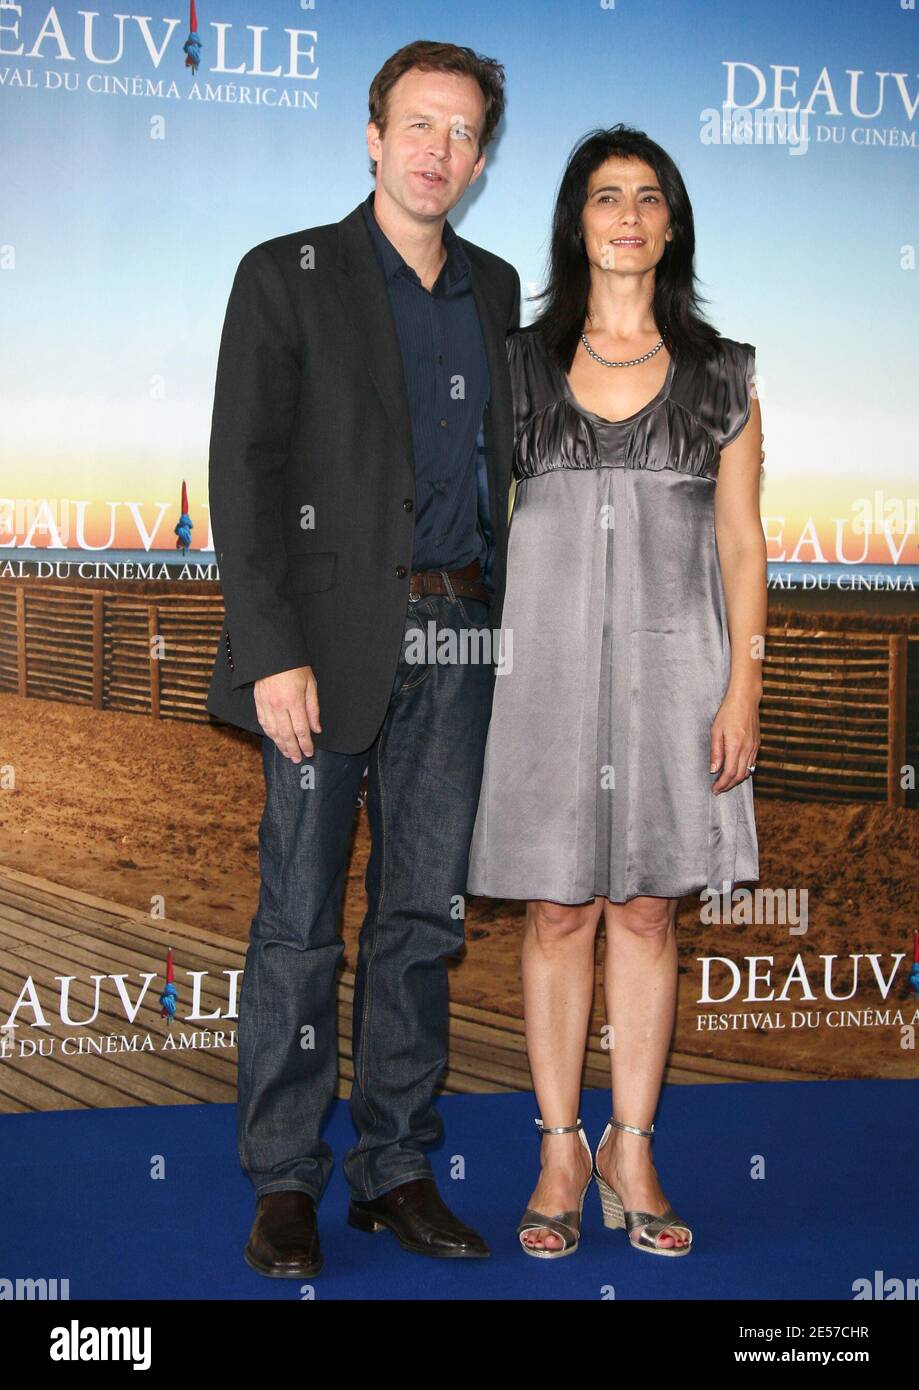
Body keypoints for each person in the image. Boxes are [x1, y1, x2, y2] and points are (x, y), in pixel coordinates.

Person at [206, 40, 520, 1276]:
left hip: (460, 641)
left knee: (421, 921)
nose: (439, 148)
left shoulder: (495, 290)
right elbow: (244, 472)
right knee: (296, 922)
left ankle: (394, 1168)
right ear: (373, 136)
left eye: (462, 132)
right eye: (418, 124)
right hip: (322, 657)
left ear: (480, 158)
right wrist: (274, 651)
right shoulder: (285, 274)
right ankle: (284, 1181)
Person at [466, 125, 767, 1258]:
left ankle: (631, 1143)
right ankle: (558, 1146)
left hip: (676, 673)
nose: (628, 215)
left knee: (646, 908)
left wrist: (743, 685)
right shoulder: (514, 364)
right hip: (539, 677)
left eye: (648, 196)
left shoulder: (724, 371)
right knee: (555, 910)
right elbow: (474, 528)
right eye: (605, 196)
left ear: (672, 221)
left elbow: (742, 545)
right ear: (575, 222)